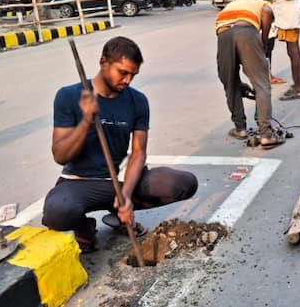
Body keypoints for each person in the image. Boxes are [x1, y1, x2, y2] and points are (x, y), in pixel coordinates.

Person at [42, 37, 198, 252]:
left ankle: (118, 215)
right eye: (122, 72)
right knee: (57, 212)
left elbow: (138, 152)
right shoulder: (68, 96)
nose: (127, 80)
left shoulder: (138, 100)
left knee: (183, 183)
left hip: (122, 179)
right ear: (103, 62)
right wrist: (86, 120)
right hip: (81, 181)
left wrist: (125, 195)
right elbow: (60, 155)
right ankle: (84, 227)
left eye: (133, 75)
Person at [215, 0, 285, 148]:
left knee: (230, 83)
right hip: (246, 31)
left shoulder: (234, 4)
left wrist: (239, 84)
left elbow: (226, 74)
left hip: (223, 34)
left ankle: (240, 129)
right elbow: (267, 13)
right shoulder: (265, 4)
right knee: (261, 85)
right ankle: (266, 134)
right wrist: (264, 41)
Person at [234, 0, 285, 85]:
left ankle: (268, 74)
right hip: (253, 15)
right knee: (258, 47)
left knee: (269, 46)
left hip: (267, 16)